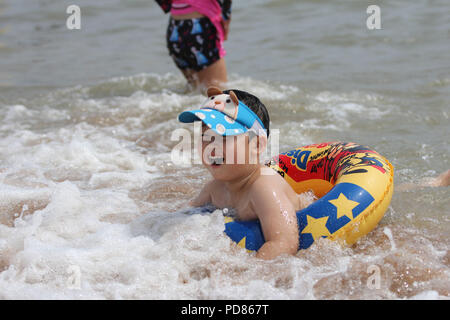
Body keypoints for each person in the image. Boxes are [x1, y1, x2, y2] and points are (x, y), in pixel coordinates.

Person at [178, 87, 450, 259]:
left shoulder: (264, 188)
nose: (212, 145)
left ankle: (435, 182)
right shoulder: (215, 189)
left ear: (257, 144)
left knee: (385, 238)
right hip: (305, 197)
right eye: (205, 136)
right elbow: (185, 217)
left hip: (333, 214)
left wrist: (243, 277)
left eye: (224, 136)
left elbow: (285, 242)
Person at [155, 0, 232, 91]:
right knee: (219, 95)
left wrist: (168, 5)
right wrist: (226, 21)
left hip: (174, 29)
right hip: (200, 27)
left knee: (194, 90)